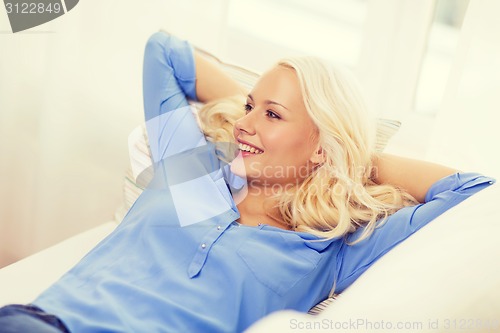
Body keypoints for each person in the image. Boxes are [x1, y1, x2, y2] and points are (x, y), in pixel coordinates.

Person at [0, 31, 494, 333]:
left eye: (273, 114)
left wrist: (351, 156)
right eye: (247, 107)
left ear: (322, 144)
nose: (243, 123)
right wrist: (264, 112)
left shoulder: (330, 245)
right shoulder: (194, 170)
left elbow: (474, 190)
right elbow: (165, 52)